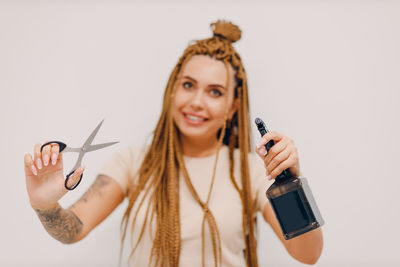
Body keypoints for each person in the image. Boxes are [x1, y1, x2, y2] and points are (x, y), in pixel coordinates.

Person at [23, 20, 323, 267]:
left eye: (215, 92)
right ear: (172, 90)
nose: (196, 102)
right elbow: (72, 229)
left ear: (232, 108)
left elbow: (308, 255)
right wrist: (44, 204)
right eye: (188, 85)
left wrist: (289, 179)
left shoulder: (253, 171)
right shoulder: (132, 164)